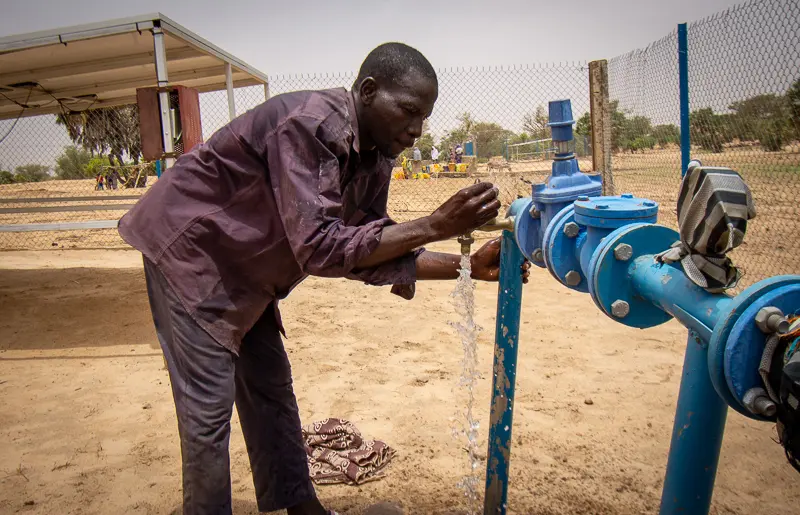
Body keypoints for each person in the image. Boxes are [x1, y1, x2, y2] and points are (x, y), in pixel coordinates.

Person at [118, 42, 529, 515]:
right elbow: (320, 247)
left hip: (248, 272)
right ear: (369, 91)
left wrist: (467, 267)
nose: (417, 130)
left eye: (425, 117)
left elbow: (365, 250)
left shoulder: (376, 154)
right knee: (207, 416)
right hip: (191, 255)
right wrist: (435, 225)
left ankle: (303, 509)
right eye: (410, 111)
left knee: (271, 390)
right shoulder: (310, 125)